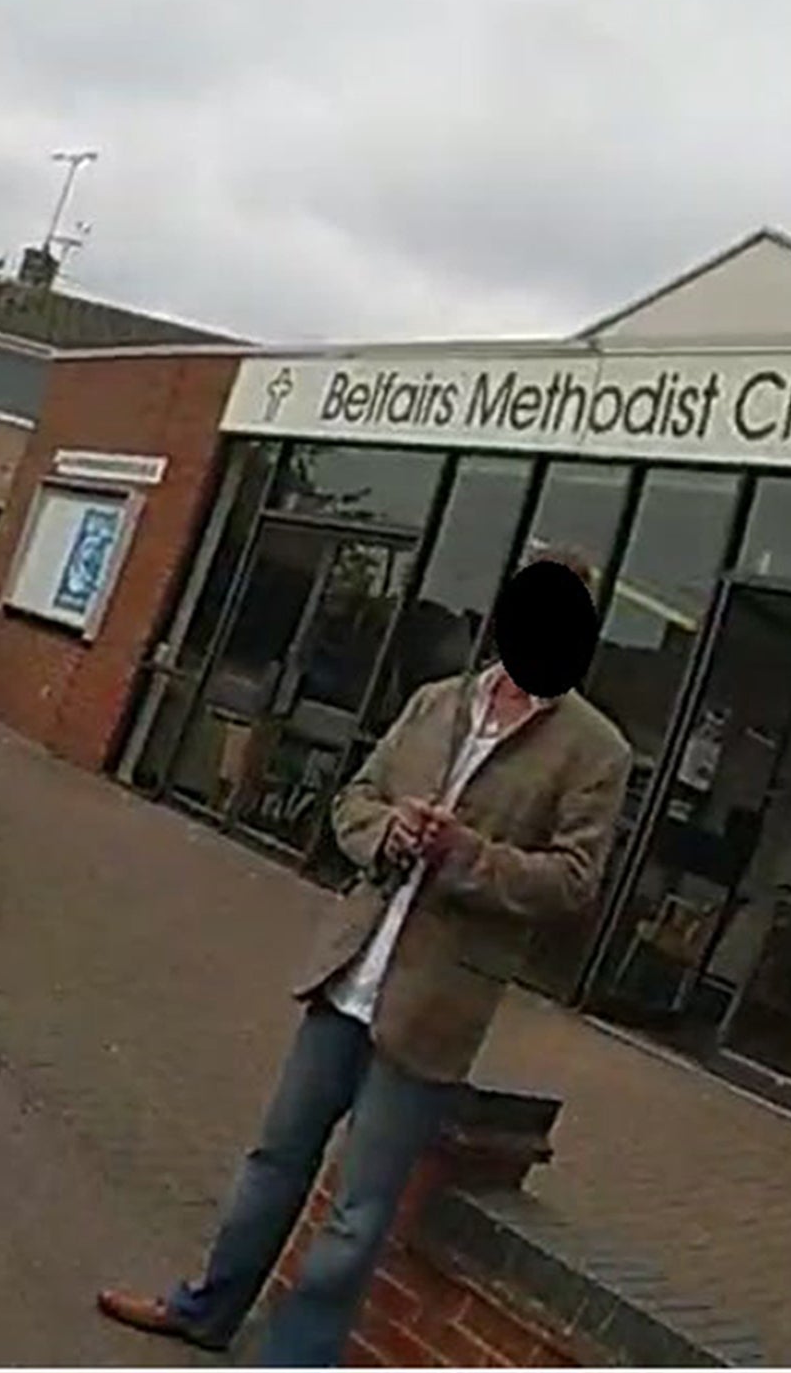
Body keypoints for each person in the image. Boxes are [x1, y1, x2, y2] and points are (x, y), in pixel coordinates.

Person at [95, 550, 631, 1366]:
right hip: (348, 972)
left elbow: (574, 883)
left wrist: (466, 853)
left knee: (359, 1210)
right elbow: (354, 799)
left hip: (433, 1008)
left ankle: (294, 1357)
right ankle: (206, 1308)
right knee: (276, 1158)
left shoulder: (595, 751)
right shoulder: (437, 702)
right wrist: (389, 831)